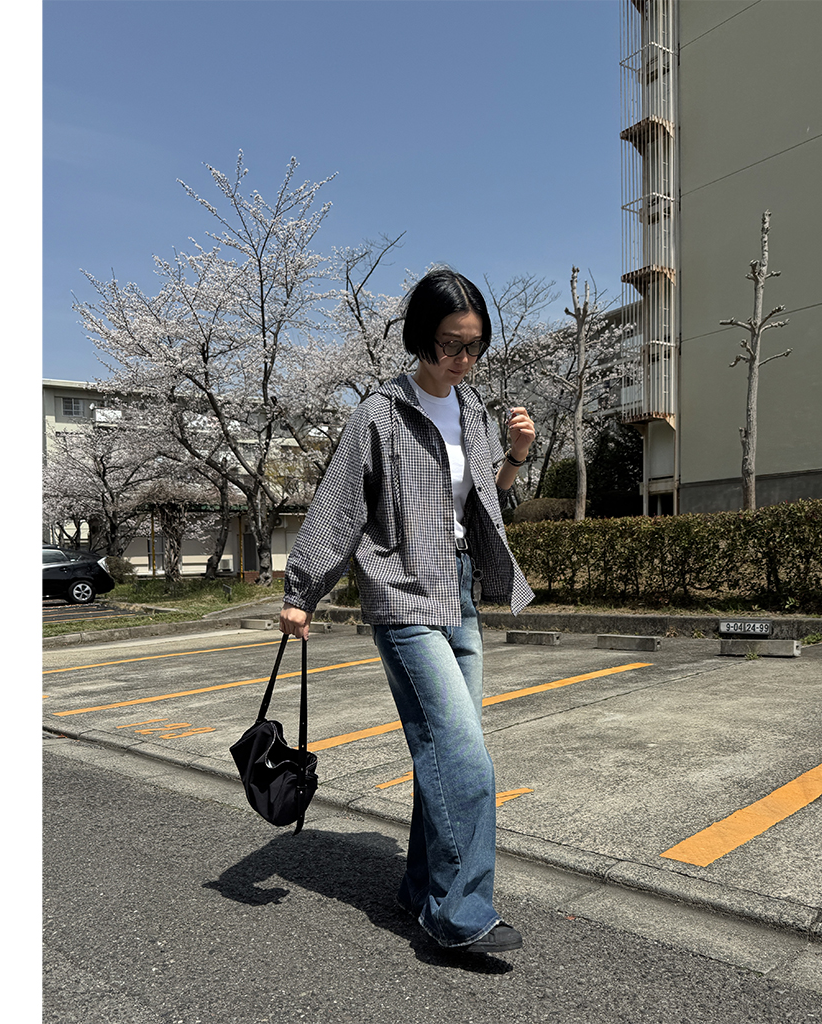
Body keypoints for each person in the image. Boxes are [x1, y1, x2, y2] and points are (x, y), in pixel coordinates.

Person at [279, 267, 537, 954]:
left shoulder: (474, 411)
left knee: (445, 754)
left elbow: (488, 501)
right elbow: (339, 507)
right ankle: (460, 913)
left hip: (459, 591)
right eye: (451, 344)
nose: (463, 359)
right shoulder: (380, 415)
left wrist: (515, 457)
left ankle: (422, 888)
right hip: (402, 594)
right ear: (421, 337)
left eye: (474, 346)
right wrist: (302, 592)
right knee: (465, 758)